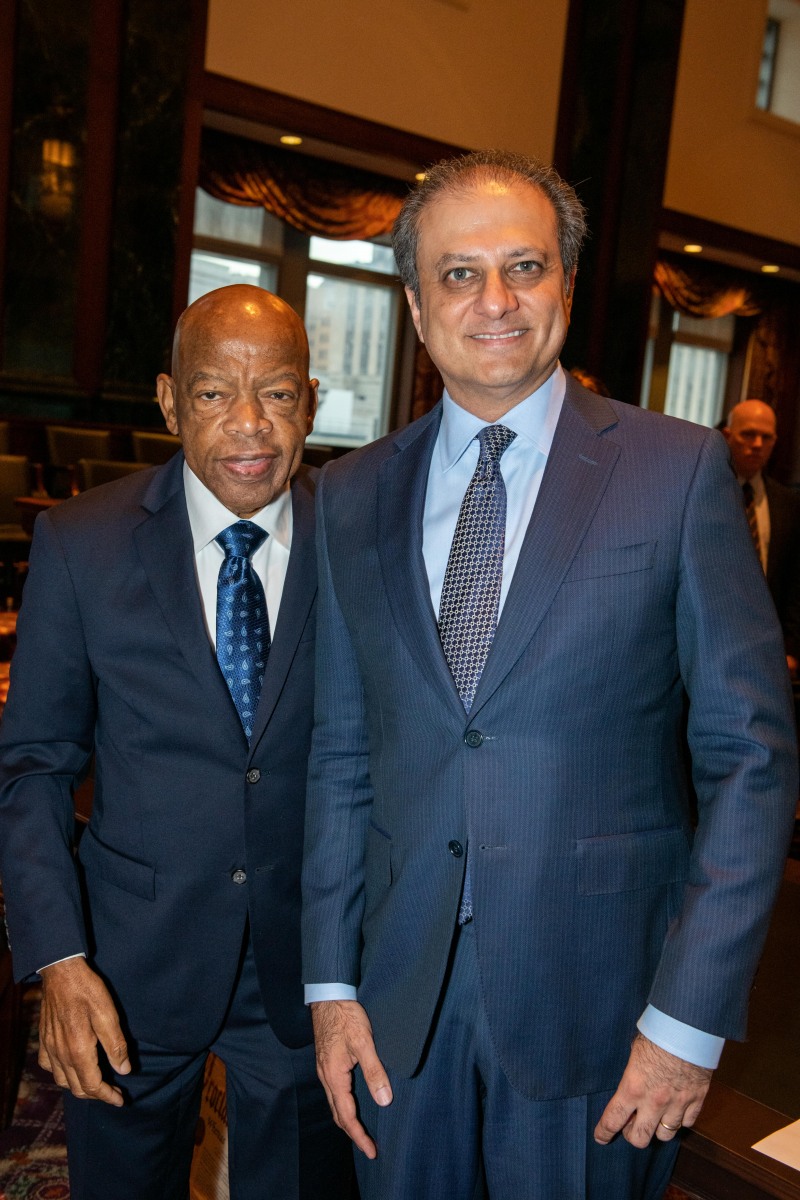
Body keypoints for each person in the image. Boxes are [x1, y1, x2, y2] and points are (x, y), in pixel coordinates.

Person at [301, 151, 797, 1200]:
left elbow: (749, 758)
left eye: (523, 266)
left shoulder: (676, 471)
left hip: (603, 1010)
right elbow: (342, 755)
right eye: (458, 273)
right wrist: (331, 985)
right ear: (414, 304)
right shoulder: (348, 495)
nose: (495, 300)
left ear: (564, 282)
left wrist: (686, 1020)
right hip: (398, 1003)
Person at [0, 285, 351, 1198]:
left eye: (278, 393)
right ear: (167, 401)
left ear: (311, 402)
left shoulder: (360, 540)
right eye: (213, 394)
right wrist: (59, 960)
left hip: (307, 966)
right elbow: (34, 766)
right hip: (129, 962)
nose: (250, 425)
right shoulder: (81, 544)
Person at [723, 398, 800, 676]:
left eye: (766, 437)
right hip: (711, 634)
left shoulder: (788, 503)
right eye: (748, 434)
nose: (757, 444)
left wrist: (791, 649)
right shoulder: (704, 494)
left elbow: (794, 581)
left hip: (766, 645)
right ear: (728, 435)